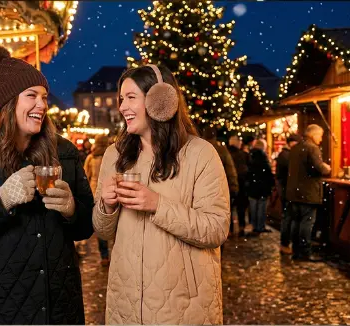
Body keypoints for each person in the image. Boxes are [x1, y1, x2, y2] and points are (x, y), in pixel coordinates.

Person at [0, 46, 94, 324]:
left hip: (57, 306)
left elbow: (86, 226)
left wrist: (72, 210)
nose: (42, 105)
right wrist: (2, 200)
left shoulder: (66, 154)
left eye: (44, 97)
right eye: (32, 96)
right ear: (9, 103)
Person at [92, 64, 229, 324]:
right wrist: (106, 207)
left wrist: (157, 205)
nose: (122, 107)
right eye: (121, 99)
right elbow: (103, 231)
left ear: (160, 100)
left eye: (131, 98)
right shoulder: (115, 155)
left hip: (184, 306)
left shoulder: (200, 154)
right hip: (127, 303)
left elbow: (216, 229)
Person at [284, 124, 331, 261]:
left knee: (296, 222)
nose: (321, 139)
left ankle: (296, 251)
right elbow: (319, 168)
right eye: (320, 136)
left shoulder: (296, 148)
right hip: (308, 193)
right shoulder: (312, 148)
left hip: (294, 193)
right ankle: (305, 252)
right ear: (313, 134)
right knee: (306, 223)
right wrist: (327, 168)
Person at [84, 134, 112, 266]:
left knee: (100, 226)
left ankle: (104, 255)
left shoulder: (91, 158)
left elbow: (86, 176)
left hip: (95, 192)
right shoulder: (111, 156)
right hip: (110, 193)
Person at [275, 134, 301, 255]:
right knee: (288, 217)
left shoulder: (284, 154)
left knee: (288, 216)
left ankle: (286, 243)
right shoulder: (287, 156)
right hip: (287, 190)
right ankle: (285, 244)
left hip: (286, 189)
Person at [246, 139, 274, 235]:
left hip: (252, 186)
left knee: (253, 207)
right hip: (262, 187)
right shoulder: (263, 157)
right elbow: (268, 173)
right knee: (261, 208)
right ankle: (260, 226)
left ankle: (254, 225)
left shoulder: (249, 156)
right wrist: (271, 184)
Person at [202, 127, 239, 200]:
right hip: (220, 187)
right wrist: (233, 186)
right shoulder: (221, 149)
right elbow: (230, 168)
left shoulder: (199, 148)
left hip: (202, 188)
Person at [227, 135, 250, 237]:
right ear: (237, 143)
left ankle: (230, 229)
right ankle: (241, 227)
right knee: (241, 207)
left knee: (229, 208)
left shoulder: (226, 153)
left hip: (228, 185)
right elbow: (249, 170)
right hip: (241, 185)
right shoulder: (243, 155)